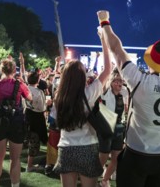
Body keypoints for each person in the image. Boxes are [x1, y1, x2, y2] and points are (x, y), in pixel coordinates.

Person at [97, 10, 160, 187]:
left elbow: (117, 49)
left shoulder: (139, 80)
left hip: (136, 154)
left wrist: (105, 22)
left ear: (150, 59)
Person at [52, 27, 112, 187]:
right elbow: (108, 70)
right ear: (82, 77)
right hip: (87, 147)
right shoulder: (88, 94)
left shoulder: (59, 98)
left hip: (66, 148)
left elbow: (54, 120)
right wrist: (103, 40)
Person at [0, 58, 32, 187]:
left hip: (0, 121)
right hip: (16, 121)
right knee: (15, 159)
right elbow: (30, 98)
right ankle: (15, 185)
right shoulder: (19, 84)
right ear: (14, 70)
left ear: (1, 70)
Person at [99, 70, 128, 187]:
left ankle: (105, 180)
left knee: (116, 157)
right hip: (106, 129)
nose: (119, 83)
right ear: (111, 82)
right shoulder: (105, 92)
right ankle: (93, 177)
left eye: (120, 81)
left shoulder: (125, 92)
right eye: (116, 81)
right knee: (103, 157)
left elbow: (126, 107)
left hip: (118, 129)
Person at [25, 71, 48, 172]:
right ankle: (30, 166)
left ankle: (30, 164)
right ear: (37, 80)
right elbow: (42, 107)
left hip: (27, 114)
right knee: (36, 141)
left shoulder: (25, 88)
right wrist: (48, 103)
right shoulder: (38, 92)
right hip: (37, 117)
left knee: (31, 140)